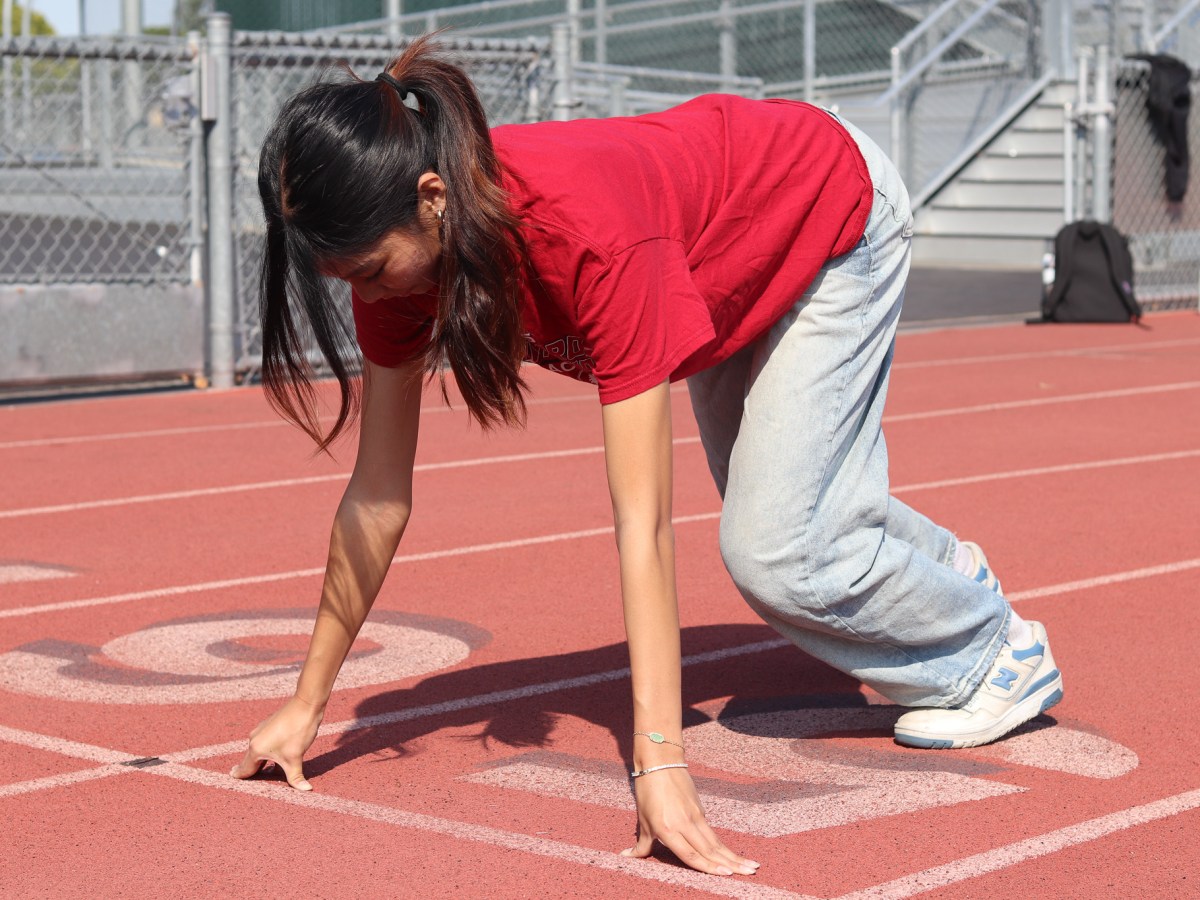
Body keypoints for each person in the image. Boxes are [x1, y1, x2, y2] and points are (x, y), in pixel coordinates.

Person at [232, 35, 1064, 877]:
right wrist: (307, 705)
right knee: (797, 519)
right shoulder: (404, 266)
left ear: (433, 197)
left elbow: (644, 524)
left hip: (824, 211)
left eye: (370, 271)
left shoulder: (585, 235)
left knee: (779, 551)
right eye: (346, 282)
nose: (365, 298)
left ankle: (993, 654)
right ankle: (946, 577)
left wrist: (660, 762)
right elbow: (377, 496)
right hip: (715, 261)